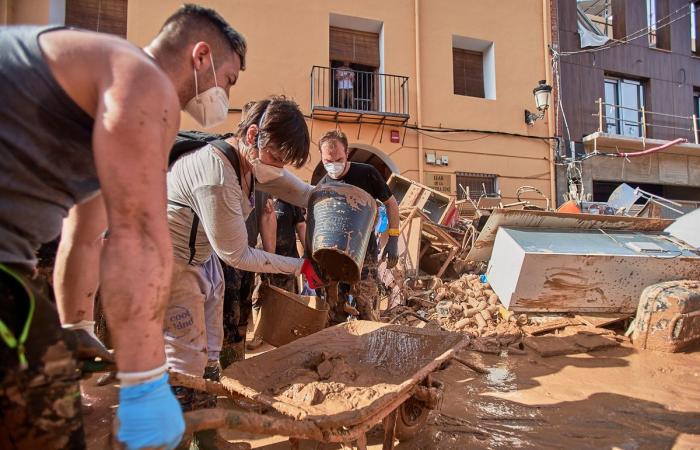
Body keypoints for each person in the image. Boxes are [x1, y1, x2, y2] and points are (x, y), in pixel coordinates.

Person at [0, 4, 245, 449]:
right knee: (48, 424)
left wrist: (77, 327)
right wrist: (145, 381)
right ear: (202, 56)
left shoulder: (107, 94)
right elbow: (138, 240)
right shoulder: (144, 81)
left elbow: (87, 234)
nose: (226, 95)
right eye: (229, 80)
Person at [163, 97, 323, 443]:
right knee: (184, 364)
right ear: (253, 135)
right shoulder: (217, 174)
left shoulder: (246, 163)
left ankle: (207, 437)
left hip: (201, 262)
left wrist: (323, 196)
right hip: (171, 267)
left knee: (209, 355)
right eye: (277, 158)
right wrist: (300, 265)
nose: (278, 167)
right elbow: (237, 254)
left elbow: (285, 184)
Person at [317, 130, 400, 321]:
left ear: (347, 153)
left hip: (364, 253)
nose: (333, 165)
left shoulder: (366, 174)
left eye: (338, 159)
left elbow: (391, 203)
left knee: (367, 306)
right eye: (327, 161)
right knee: (334, 310)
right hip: (334, 257)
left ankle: (370, 345)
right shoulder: (323, 185)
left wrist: (393, 238)